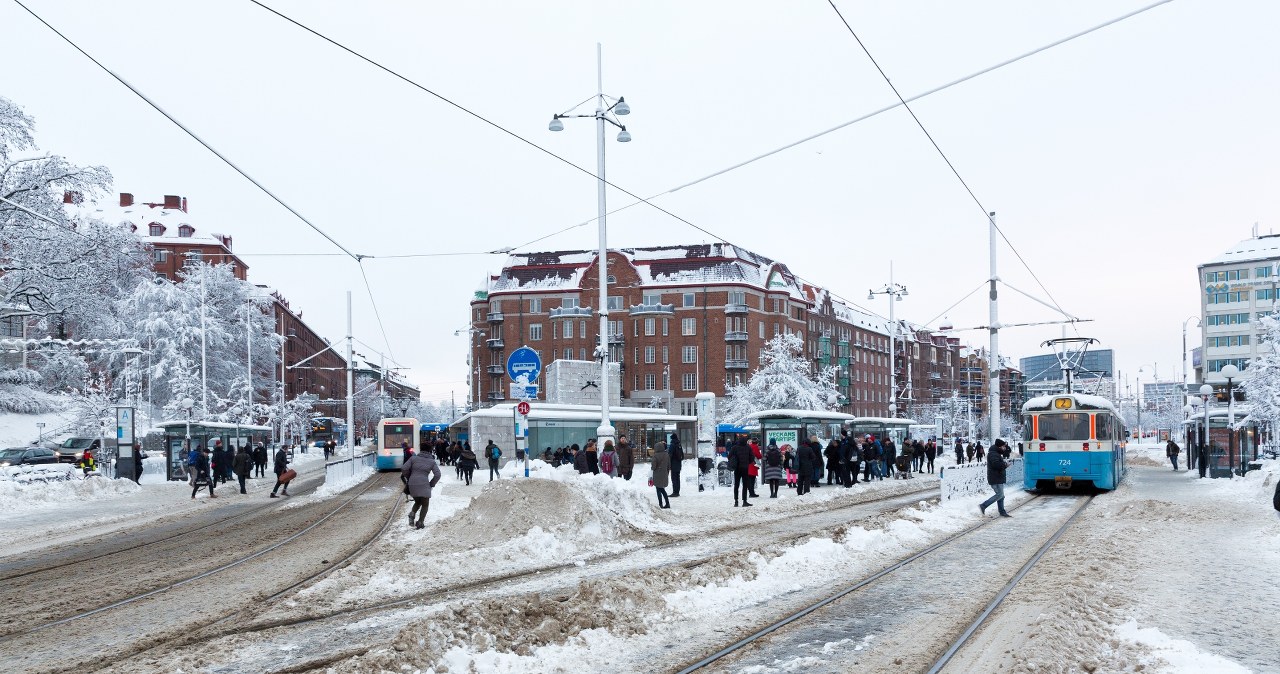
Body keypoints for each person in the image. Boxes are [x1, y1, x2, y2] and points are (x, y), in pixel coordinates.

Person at [402, 443, 442, 529]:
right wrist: (431, 484)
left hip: (412, 483)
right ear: (430, 450)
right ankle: (420, 522)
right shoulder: (431, 461)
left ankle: (412, 514)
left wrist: (409, 476)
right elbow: (437, 475)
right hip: (424, 484)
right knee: (425, 503)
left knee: (417, 501)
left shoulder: (413, 458)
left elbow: (404, 468)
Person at [979, 439, 1012, 518]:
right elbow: (996, 465)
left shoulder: (995, 453)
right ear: (1000, 446)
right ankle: (983, 505)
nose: (1005, 448)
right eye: (1004, 446)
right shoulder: (994, 454)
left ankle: (1002, 511)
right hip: (995, 477)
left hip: (997, 477)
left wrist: (1004, 464)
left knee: (1001, 495)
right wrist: (1005, 464)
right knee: (1000, 495)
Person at [728, 439, 754, 507]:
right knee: (745, 485)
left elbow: (729, 457)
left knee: (736, 485)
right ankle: (744, 501)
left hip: (737, 468)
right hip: (745, 468)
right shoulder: (748, 447)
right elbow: (752, 458)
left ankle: (736, 501)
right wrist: (747, 462)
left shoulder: (734, 448)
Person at [651, 440, 671, 509]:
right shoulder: (666, 454)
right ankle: (667, 503)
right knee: (662, 489)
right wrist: (667, 472)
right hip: (665, 473)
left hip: (657, 475)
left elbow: (653, 467)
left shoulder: (655, 456)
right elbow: (669, 465)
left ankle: (661, 504)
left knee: (659, 489)